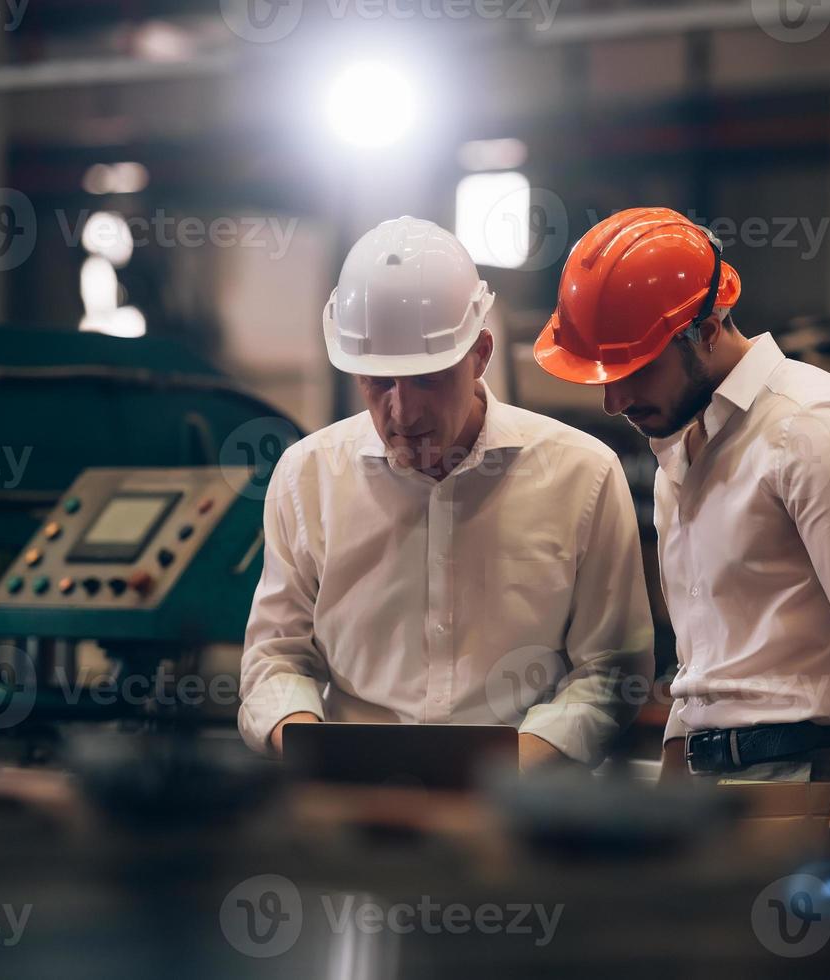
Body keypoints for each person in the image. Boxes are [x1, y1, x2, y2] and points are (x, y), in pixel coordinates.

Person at [533, 207, 830, 853]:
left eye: (635, 369)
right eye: (605, 377)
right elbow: (702, 668)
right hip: (707, 788)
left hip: (810, 778)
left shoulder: (815, 429)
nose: (614, 403)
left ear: (703, 328)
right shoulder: (686, 447)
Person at [238, 216, 655, 771]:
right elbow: (274, 659)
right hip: (350, 800)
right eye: (379, 382)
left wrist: (518, 763)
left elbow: (612, 669)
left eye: (428, 380)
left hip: (522, 798)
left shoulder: (582, 475)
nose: (402, 412)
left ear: (480, 354)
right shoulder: (305, 477)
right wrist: (310, 748)